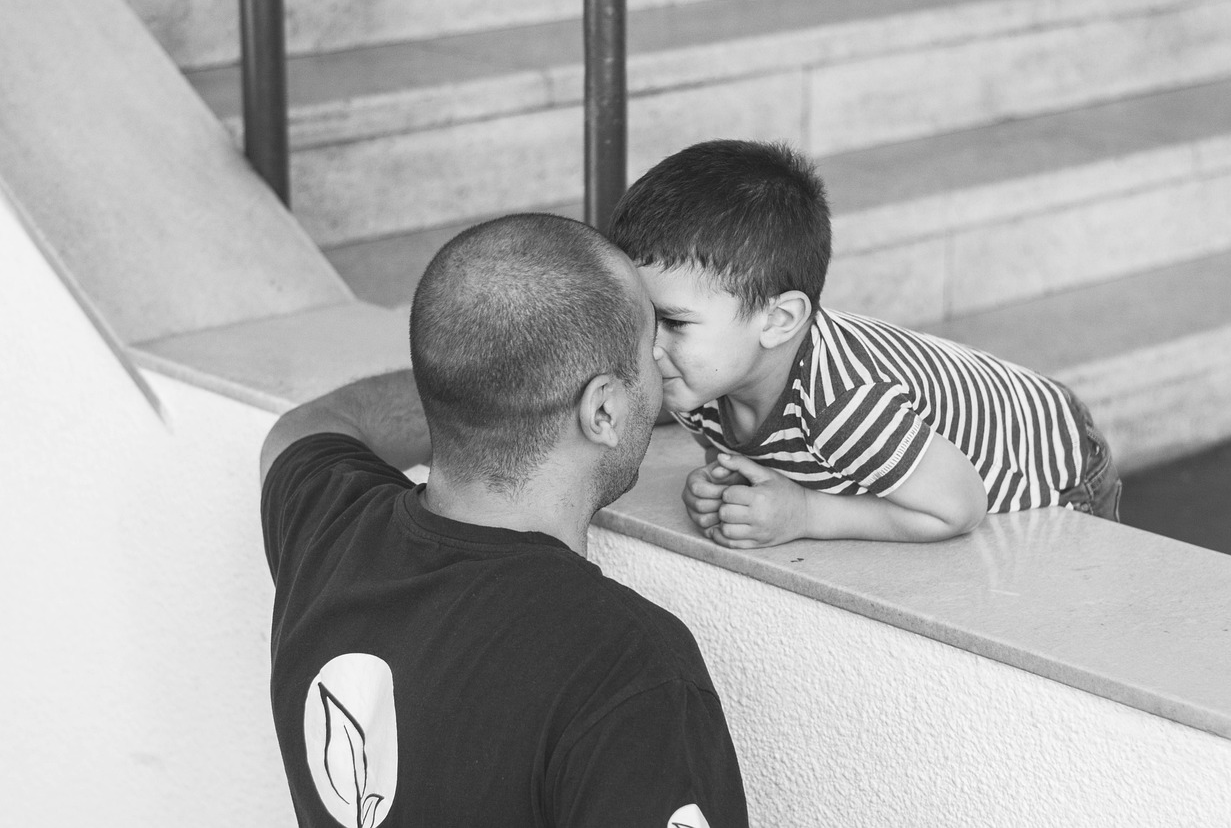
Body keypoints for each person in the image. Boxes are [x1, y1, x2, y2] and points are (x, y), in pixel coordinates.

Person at [259, 213, 749, 828]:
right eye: (649, 349)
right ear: (603, 409)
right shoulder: (626, 665)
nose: (663, 367)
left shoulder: (326, 528)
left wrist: (484, 377)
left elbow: (301, 429)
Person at [608, 139, 1122, 549]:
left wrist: (805, 514)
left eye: (674, 321)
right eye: (640, 314)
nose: (648, 343)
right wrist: (726, 492)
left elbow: (958, 508)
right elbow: (761, 462)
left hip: (1054, 461)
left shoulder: (844, 404)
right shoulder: (696, 377)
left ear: (779, 320)